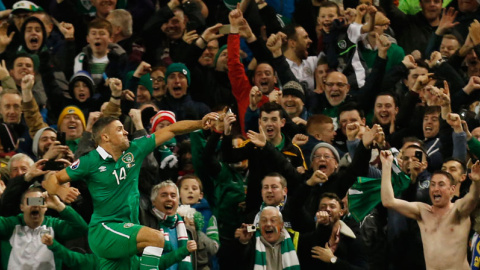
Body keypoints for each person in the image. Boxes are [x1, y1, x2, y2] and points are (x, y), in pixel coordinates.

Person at [42, 107, 218, 270]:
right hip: (105, 229)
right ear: (105, 137)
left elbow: (170, 130)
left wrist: (200, 123)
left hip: (127, 230)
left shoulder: (135, 150)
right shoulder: (89, 161)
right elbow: (50, 179)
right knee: (157, 238)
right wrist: (60, 191)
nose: (126, 131)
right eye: (119, 129)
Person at [380, 150, 480, 269]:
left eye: (441, 184)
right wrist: (386, 165)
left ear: (452, 189)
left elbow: (473, 197)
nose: (435, 189)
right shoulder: (422, 211)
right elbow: (388, 201)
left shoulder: (459, 211)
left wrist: (476, 182)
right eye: (432, 184)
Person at [0, 187, 88, 269]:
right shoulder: (10, 225)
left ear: (45, 207)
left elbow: (82, 228)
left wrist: (59, 205)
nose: (35, 205)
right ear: (22, 207)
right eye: (31, 201)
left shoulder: (54, 225)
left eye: (39, 201)